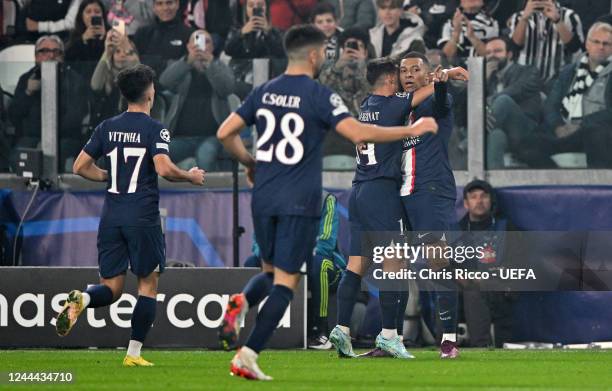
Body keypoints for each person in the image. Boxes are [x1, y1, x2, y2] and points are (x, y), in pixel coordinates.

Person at [216, 25, 438, 380]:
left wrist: (249, 162)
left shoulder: (264, 91)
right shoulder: (319, 95)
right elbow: (358, 132)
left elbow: (225, 132)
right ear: (315, 55)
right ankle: (247, 355)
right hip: (301, 198)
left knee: (271, 272)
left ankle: (243, 301)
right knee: (287, 283)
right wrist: (410, 130)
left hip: (264, 195)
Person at [54, 64, 205, 366]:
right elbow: (162, 168)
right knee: (147, 285)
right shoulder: (155, 129)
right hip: (143, 216)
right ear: (150, 92)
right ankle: (133, 354)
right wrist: (189, 176)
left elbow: (79, 166)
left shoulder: (107, 127)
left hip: (111, 216)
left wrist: (111, 177)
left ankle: (82, 299)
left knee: (112, 289)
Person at [398, 51, 469, 359]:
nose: (409, 74)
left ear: (427, 74)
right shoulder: (398, 108)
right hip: (399, 194)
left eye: (416, 69)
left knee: (438, 264)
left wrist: (442, 82)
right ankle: (390, 336)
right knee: (394, 266)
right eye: (404, 70)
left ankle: (449, 340)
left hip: (430, 192)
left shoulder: (435, 103)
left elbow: (441, 102)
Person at [521, 22, 612, 168]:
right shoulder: (569, 71)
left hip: (594, 131)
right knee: (527, 143)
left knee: (597, 133)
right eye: (596, 42)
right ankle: (557, 182)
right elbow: (551, 105)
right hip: (565, 129)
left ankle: (598, 188)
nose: (601, 47)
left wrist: (582, 124)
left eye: (607, 44)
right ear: (587, 44)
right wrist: (558, 126)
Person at [8, 35, 89, 171]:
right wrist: (28, 92)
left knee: (59, 152)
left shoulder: (75, 81)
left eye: (56, 51)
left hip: (65, 137)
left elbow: (75, 117)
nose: (51, 55)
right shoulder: (26, 79)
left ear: (62, 56)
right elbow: (14, 114)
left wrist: (48, 139)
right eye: (44, 51)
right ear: (36, 57)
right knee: (18, 155)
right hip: (30, 137)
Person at [159, 29, 236, 171]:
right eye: (197, 41)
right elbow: (165, 81)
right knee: (158, 154)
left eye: (207, 42)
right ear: (189, 46)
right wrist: (188, 61)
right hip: (182, 138)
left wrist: (210, 63)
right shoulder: (181, 67)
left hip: (212, 137)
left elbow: (227, 88)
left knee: (205, 156)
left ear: (212, 48)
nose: (202, 45)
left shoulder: (220, 67)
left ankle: (211, 194)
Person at [458, 179, 517, 348]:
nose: (479, 200)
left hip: (496, 288)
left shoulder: (506, 228)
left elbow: (517, 263)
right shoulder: (455, 230)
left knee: (475, 291)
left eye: (484, 196)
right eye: (474, 197)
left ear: (491, 201)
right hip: (462, 287)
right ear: (466, 204)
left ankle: (481, 348)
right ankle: (445, 345)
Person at [484, 36, 541, 169]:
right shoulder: (487, 77)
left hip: (525, 128)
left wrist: (490, 100)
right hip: (498, 129)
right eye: (488, 53)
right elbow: (468, 103)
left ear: (509, 54)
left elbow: (518, 89)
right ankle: (493, 186)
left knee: (503, 101)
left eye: (497, 51)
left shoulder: (528, 71)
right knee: (496, 136)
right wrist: (484, 79)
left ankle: (471, 140)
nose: (492, 56)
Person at [224, 0, 285, 100]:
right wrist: (242, 33)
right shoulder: (236, 29)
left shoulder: (276, 32)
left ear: (266, 8)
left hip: (269, 79)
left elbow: (281, 52)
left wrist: (268, 32)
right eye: (251, 5)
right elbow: (228, 49)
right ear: (245, 9)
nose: (255, 9)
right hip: (242, 79)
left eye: (260, 5)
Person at [510, 0, 583, 83]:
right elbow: (514, 48)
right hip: (524, 79)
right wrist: (524, 19)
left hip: (556, 79)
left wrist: (557, 20)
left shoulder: (570, 16)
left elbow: (574, 48)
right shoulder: (518, 17)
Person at [133, 0, 193, 76]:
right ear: (154, 7)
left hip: (177, 83)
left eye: (169, 3)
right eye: (159, 4)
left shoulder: (189, 33)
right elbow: (134, 62)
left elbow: (187, 65)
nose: (165, 8)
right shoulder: (142, 33)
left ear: (177, 4)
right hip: (146, 83)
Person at [65, 0, 109, 80]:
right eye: (88, 12)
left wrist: (104, 38)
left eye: (97, 11)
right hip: (80, 80)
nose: (93, 15)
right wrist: (83, 39)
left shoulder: (111, 34)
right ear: (81, 16)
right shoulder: (74, 35)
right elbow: (67, 59)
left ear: (103, 15)